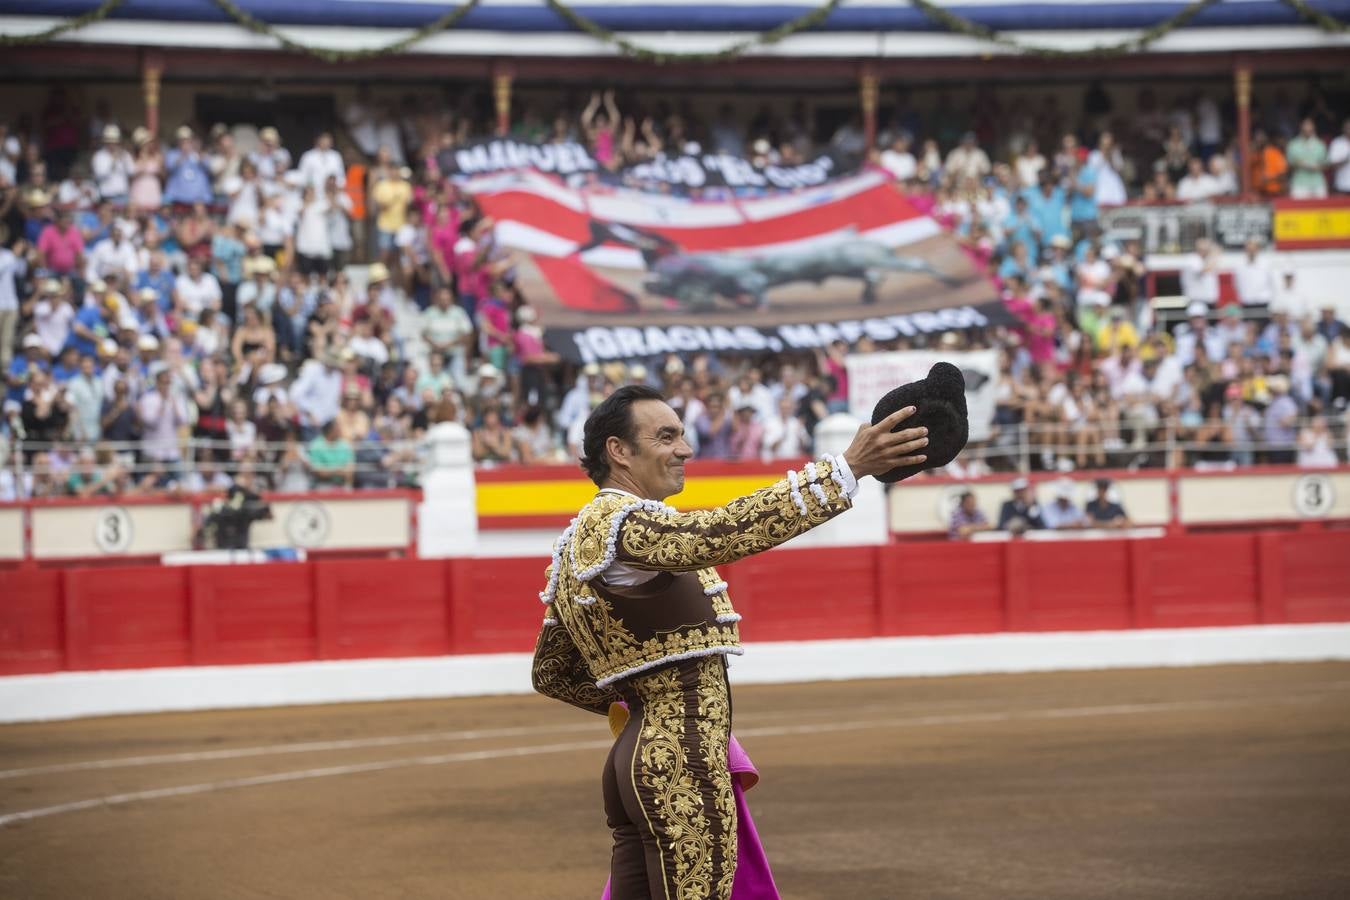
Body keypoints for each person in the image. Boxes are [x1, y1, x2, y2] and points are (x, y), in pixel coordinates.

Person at [531, 385, 928, 900]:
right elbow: (718, 533)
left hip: (636, 760)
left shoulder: (577, 543)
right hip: (680, 757)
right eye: (666, 436)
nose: (685, 449)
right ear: (619, 451)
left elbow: (552, 673)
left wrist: (641, 709)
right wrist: (845, 469)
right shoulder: (622, 523)